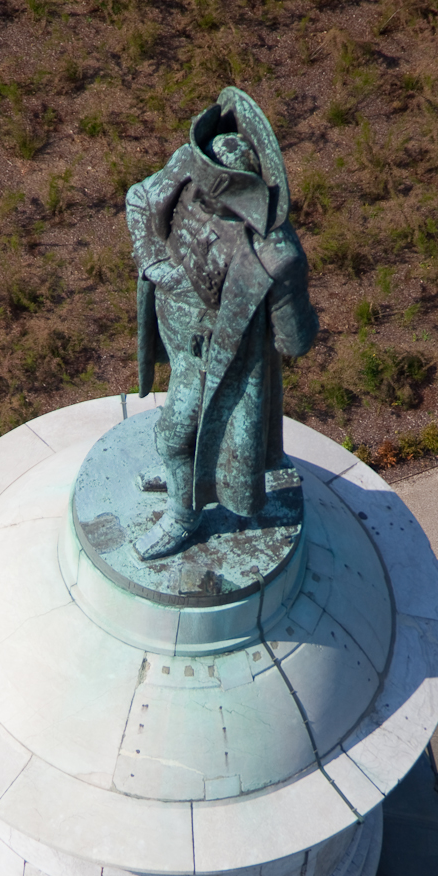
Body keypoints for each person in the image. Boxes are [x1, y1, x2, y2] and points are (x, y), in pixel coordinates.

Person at [125, 87, 319, 561]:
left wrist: (286, 292)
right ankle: (184, 477)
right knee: (181, 432)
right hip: (174, 331)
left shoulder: (275, 255)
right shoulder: (189, 166)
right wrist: (157, 267)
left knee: (173, 436)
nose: (199, 191)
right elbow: (140, 198)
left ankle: (182, 514)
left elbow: (294, 341)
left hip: (217, 359)